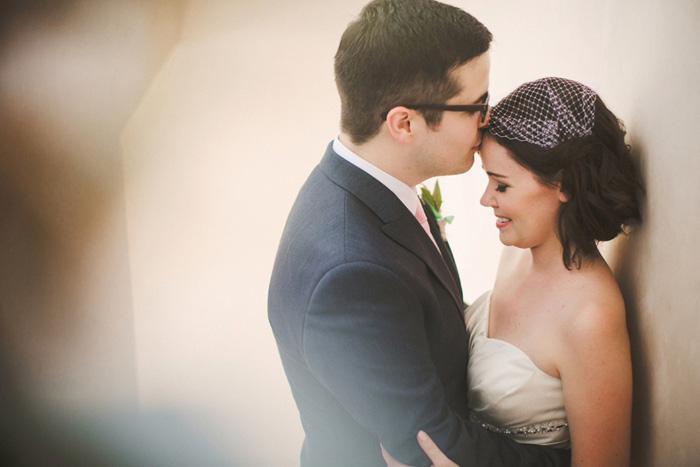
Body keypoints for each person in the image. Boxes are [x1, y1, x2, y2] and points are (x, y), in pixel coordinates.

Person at [268, 0, 570, 465]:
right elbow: (433, 446)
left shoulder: (367, 183)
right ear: (404, 123)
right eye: (476, 106)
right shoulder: (350, 275)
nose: (488, 120)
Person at [406, 77, 641, 466]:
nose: (486, 199)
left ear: (563, 185)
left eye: (501, 185)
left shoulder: (590, 317)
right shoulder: (518, 252)